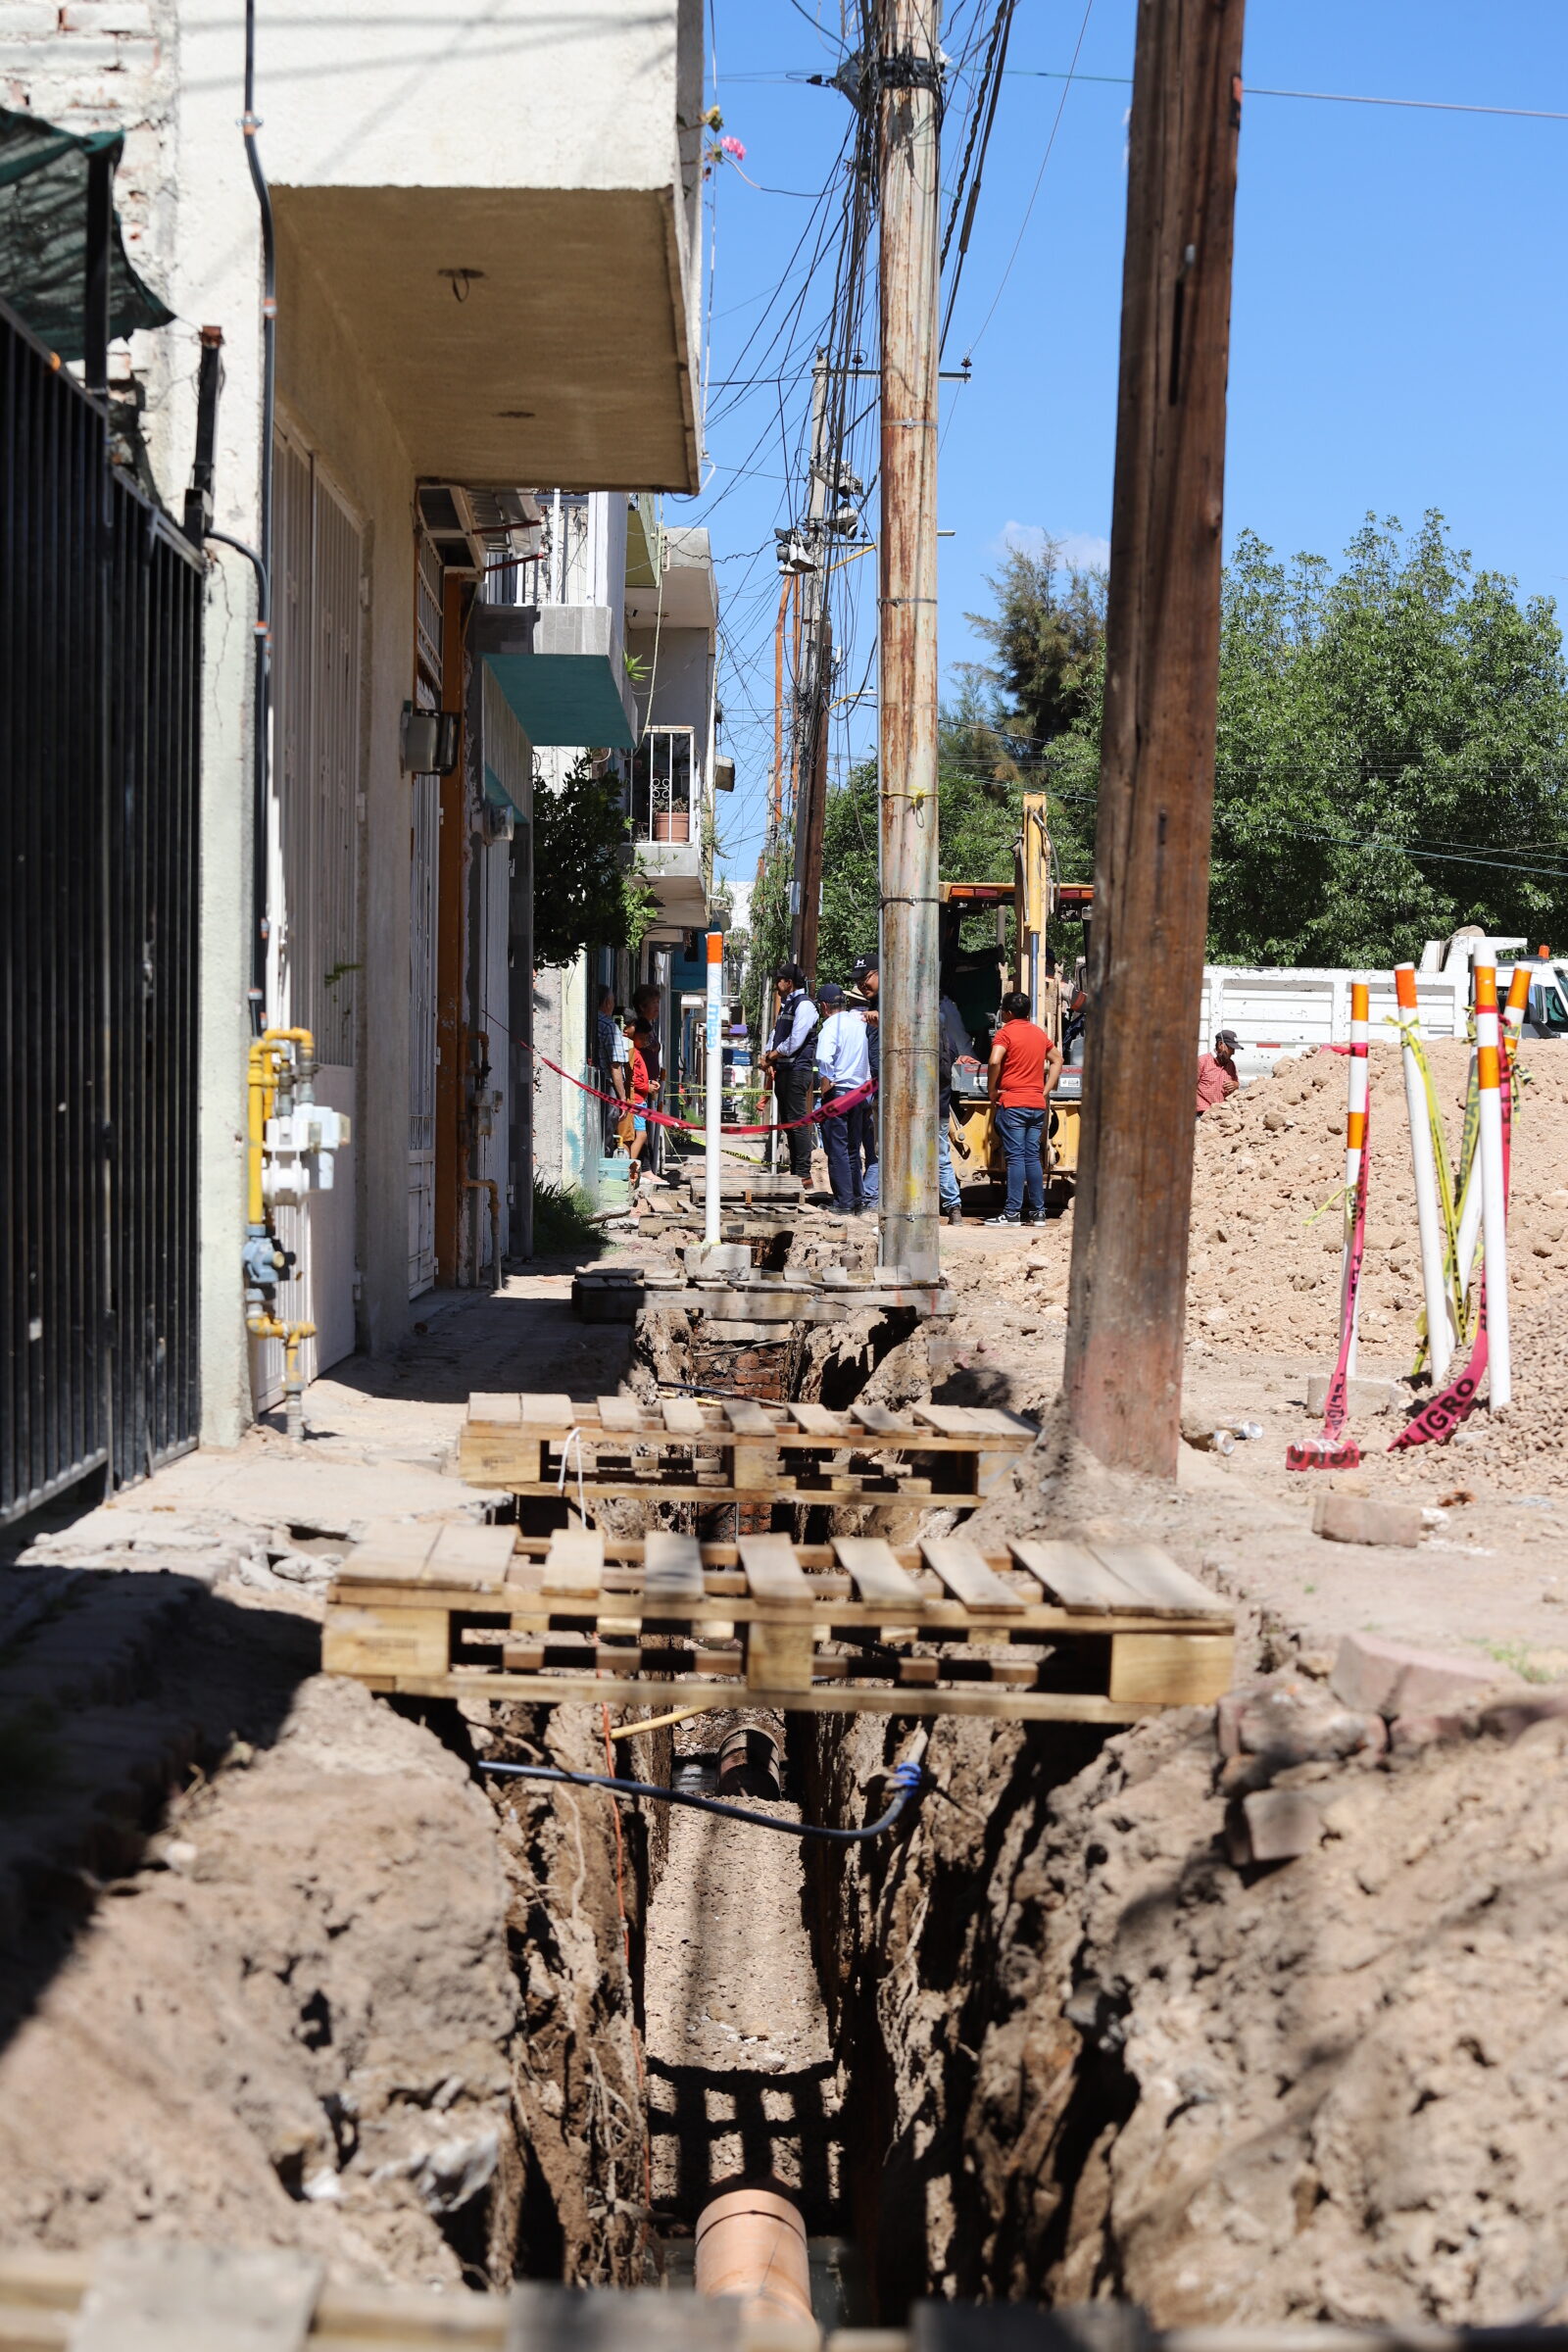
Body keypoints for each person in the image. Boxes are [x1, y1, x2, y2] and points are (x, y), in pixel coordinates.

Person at [985, 990, 1061, 1228]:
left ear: (1007, 1013)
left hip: (1013, 1103)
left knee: (1016, 1157)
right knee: (1032, 1157)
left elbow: (994, 1060)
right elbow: (1057, 1059)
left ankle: (1012, 1214)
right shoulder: (1038, 1033)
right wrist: (1045, 1090)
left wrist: (992, 1089)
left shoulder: (1005, 1033)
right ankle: (1038, 1214)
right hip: (1036, 1104)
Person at [813, 981, 871, 1214]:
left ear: (824, 1006)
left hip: (839, 1093)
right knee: (853, 1148)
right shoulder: (859, 1025)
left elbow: (824, 1058)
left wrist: (826, 1082)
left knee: (837, 1148)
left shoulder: (830, 1027)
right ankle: (857, 1199)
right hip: (859, 1093)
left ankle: (843, 1202)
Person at [762, 962, 818, 1181]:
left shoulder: (804, 1005)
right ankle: (796, 1171)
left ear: (789, 982)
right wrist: (767, 1055)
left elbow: (795, 1040)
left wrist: (772, 1055)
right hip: (784, 1070)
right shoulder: (787, 1005)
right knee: (788, 1121)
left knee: (797, 1122)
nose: (777, 984)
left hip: (797, 1070)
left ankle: (803, 1173)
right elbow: (776, 1033)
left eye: (779, 980)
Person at [850, 956, 880, 1197]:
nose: (862, 984)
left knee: (879, 1149)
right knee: (873, 1147)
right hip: (873, 1089)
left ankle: (871, 1196)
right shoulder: (874, 1007)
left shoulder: (890, 1005)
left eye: (866, 978)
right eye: (858, 980)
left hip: (884, 1088)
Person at [633, 982, 664, 1174]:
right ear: (642, 1006)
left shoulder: (649, 1026)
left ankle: (645, 1169)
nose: (657, 1006)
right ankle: (642, 1169)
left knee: (645, 1129)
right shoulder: (639, 1027)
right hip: (640, 1089)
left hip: (648, 1087)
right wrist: (645, 1084)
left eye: (658, 1002)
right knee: (641, 1131)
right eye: (654, 1003)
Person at [624, 1014, 656, 1186]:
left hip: (640, 1100)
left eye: (646, 1038)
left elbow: (639, 1078)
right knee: (641, 1135)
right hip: (636, 1100)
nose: (644, 1041)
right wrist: (646, 1087)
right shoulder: (633, 1053)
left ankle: (630, 1168)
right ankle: (629, 1168)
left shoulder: (637, 1053)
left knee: (637, 1135)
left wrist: (649, 1084)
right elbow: (633, 1080)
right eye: (642, 1038)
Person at [595, 984, 626, 1153]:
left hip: (593, 1084)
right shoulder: (610, 1027)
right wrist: (622, 1098)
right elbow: (615, 1065)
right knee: (607, 1130)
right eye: (613, 1001)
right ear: (607, 1002)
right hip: (607, 1087)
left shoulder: (590, 1022)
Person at [1196, 1028, 1241, 1115]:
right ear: (1220, 1044)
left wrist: (1236, 1085)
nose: (1233, 1052)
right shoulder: (1202, 1061)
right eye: (1231, 1048)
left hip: (1222, 1114)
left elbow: (1236, 1083)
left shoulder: (1231, 1064)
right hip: (1202, 1114)